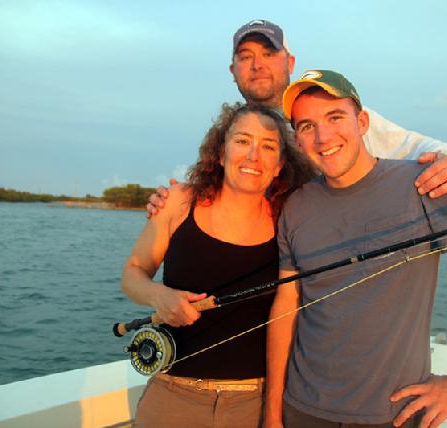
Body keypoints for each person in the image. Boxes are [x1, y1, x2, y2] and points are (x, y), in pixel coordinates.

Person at [264, 70, 447, 428]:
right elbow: (286, 308)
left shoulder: (425, 184)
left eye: (335, 117)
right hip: (302, 408)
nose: (323, 136)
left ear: (363, 121)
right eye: (307, 126)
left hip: (394, 415)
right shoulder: (296, 207)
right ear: (298, 139)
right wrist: (273, 413)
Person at [146, 20, 447, 218]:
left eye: (268, 54)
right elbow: (213, 191)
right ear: (233, 71)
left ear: (289, 61)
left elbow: (414, 145)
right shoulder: (230, 132)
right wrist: (173, 201)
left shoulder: (336, 115)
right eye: (246, 57)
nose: (257, 65)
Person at [121, 103, 316, 428]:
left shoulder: (290, 221)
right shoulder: (178, 202)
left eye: (268, 146)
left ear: (280, 165)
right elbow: (132, 274)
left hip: (255, 403)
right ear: (221, 153)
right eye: (242, 140)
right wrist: (159, 297)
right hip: (171, 398)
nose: (253, 154)